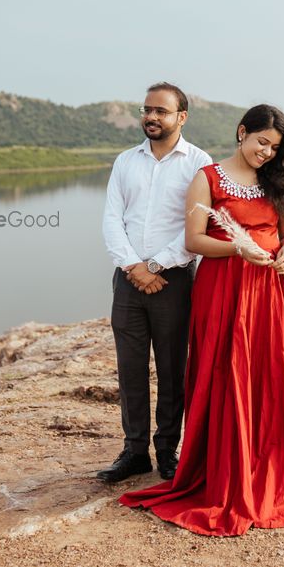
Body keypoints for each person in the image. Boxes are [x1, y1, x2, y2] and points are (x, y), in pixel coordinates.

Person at [119, 104, 284, 535]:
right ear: (242, 132)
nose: (266, 152)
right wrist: (239, 249)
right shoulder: (206, 177)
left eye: (275, 147)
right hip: (223, 288)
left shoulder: (279, 179)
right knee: (230, 374)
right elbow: (195, 239)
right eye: (262, 141)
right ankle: (231, 463)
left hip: (272, 289)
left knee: (283, 374)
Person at [98, 82, 212, 483]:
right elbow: (112, 218)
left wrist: (157, 266)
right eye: (147, 109)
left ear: (181, 117)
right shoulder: (125, 161)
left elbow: (197, 227)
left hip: (175, 281)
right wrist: (134, 267)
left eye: (161, 111)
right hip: (128, 281)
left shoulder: (199, 163)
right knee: (129, 369)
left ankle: (167, 451)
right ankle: (133, 452)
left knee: (171, 368)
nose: (151, 116)